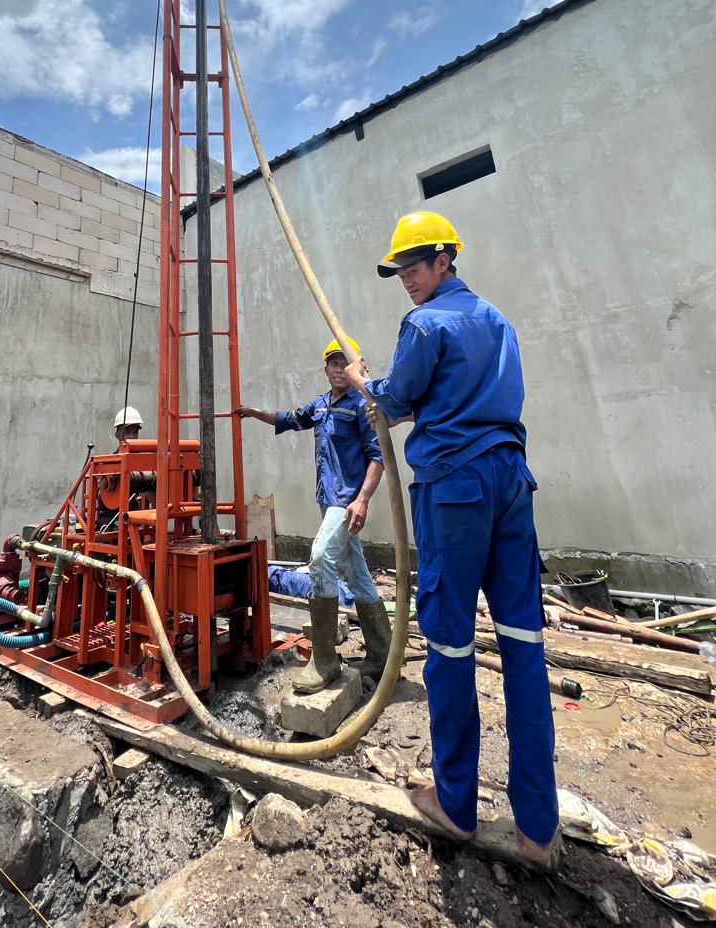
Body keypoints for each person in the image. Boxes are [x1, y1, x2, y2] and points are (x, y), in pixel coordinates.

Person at [343, 210, 559, 867]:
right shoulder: (500, 323)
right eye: (399, 271)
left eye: (413, 266)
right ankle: (539, 830)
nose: (405, 280)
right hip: (512, 485)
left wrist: (360, 383)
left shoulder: (426, 323)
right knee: (524, 645)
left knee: (450, 644)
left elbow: (397, 401)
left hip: (456, 490)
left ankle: (457, 805)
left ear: (445, 261)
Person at [236, 338, 391, 694]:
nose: (338, 368)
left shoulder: (362, 406)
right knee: (358, 575)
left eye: (344, 363)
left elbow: (378, 456)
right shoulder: (321, 406)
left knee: (320, 560)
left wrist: (363, 500)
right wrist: (252, 412)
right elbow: (289, 419)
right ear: (326, 369)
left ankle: (324, 661)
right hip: (328, 499)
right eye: (333, 363)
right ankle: (382, 655)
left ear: (354, 368)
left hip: (346, 501)